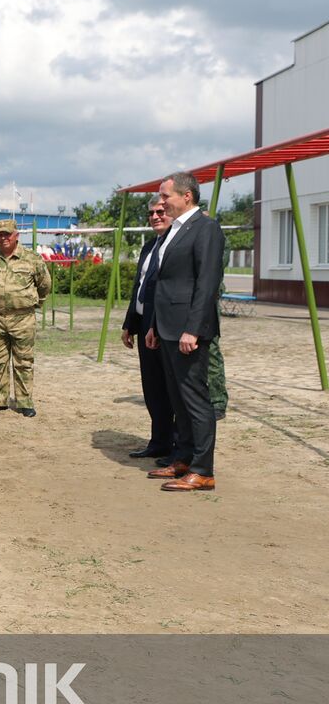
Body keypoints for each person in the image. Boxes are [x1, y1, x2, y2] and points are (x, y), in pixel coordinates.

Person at [147, 171, 224, 492]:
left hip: (187, 331)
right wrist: (152, 323)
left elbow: (206, 283)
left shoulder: (205, 228)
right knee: (177, 399)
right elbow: (164, 283)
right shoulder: (175, 231)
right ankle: (183, 458)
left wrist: (193, 329)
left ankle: (203, 470)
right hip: (166, 328)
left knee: (195, 400)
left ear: (186, 196)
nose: (161, 203)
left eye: (166, 197)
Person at [0, 219, 51, 417]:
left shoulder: (32, 259)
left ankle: (24, 402)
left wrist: (34, 302)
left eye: (7, 234)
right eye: (0, 234)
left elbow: (44, 285)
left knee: (23, 361)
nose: (4, 238)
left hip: (23, 319)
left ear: (16, 236)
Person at [122, 199, 177, 459]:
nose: (155, 216)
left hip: (166, 326)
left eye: (161, 212)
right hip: (145, 325)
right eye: (151, 213)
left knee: (170, 388)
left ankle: (176, 444)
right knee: (152, 387)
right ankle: (159, 441)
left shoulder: (175, 246)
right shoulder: (149, 247)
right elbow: (140, 288)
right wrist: (129, 324)